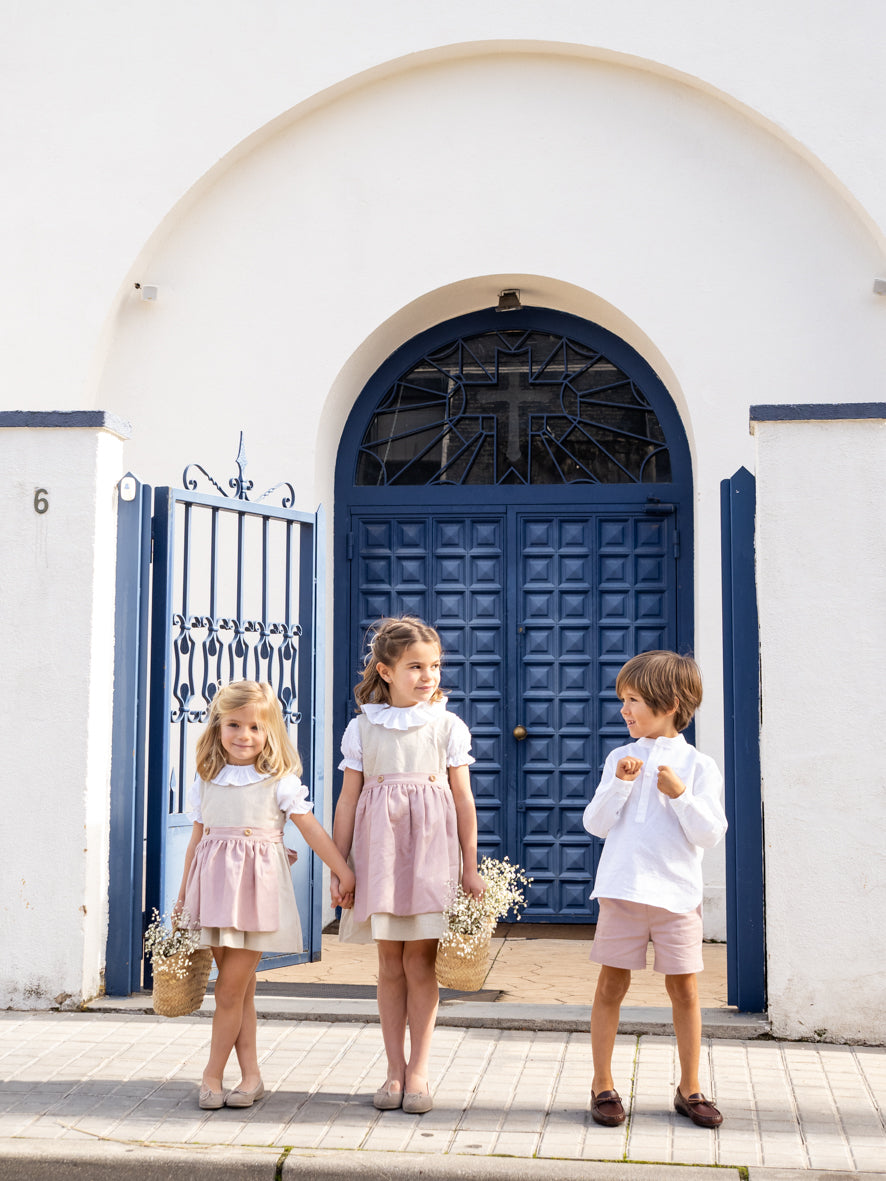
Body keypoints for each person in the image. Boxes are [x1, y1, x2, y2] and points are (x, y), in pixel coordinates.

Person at [175, 680, 355, 1110]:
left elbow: (311, 831)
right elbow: (197, 841)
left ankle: (211, 1074)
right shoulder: (207, 779)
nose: (244, 735)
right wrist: (183, 898)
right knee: (240, 993)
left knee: (227, 991)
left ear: (270, 731)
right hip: (214, 893)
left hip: (256, 895)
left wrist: (342, 870)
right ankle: (251, 1076)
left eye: (255, 727)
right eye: (234, 725)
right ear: (218, 726)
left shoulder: (280, 783)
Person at [332, 616, 485, 1114]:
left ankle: (419, 1069)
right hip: (379, 854)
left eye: (434, 665)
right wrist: (340, 866)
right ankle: (393, 1069)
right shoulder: (362, 727)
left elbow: (463, 800)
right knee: (388, 965)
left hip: (430, 853)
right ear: (386, 670)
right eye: (415, 666)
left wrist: (469, 866)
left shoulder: (447, 725)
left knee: (420, 962)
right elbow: (347, 800)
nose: (428, 675)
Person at [583, 651, 727, 1130]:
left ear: (670, 705)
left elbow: (710, 833)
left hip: (676, 897)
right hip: (622, 891)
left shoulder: (699, 766)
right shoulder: (618, 758)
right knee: (611, 986)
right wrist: (620, 785)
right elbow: (596, 824)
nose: (624, 710)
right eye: (623, 699)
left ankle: (690, 1088)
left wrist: (680, 795)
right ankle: (602, 1084)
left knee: (684, 990)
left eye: (634, 700)